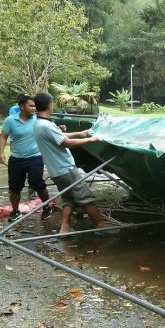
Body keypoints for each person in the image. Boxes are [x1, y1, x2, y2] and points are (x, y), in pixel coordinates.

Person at [33, 92, 109, 234]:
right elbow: (65, 142)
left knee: (68, 199)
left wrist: (82, 134)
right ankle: (100, 224)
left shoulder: (39, 123)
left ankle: (65, 228)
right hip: (66, 169)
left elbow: (59, 136)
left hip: (56, 171)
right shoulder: (45, 125)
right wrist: (92, 140)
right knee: (85, 197)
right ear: (50, 105)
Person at [0, 95, 51, 222]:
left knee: (37, 183)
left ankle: (47, 207)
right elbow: (3, 136)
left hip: (35, 157)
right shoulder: (10, 121)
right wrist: (1, 153)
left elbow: (50, 130)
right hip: (16, 158)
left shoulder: (38, 119)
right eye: (31, 106)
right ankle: (15, 211)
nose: (34, 108)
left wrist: (61, 129)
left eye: (35, 106)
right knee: (14, 187)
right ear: (22, 107)